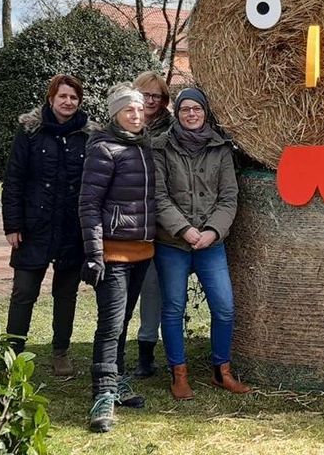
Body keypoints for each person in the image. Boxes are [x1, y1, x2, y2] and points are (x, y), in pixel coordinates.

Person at [151, 86, 250, 400]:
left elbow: (229, 198)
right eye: (185, 110)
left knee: (224, 308)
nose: (191, 114)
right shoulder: (161, 148)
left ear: (205, 113)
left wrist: (211, 231)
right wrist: (183, 229)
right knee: (173, 308)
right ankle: (179, 374)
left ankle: (222, 371)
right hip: (172, 243)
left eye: (196, 109)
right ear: (177, 114)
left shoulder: (220, 149)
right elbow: (159, 196)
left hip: (211, 242)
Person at [79, 83, 157, 433]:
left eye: (139, 109)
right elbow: (89, 205)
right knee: (110, 326)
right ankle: (103, 397)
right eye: (129, 110)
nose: (137, 115)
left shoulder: (143, 147)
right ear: (115, 113)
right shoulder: (104, 149)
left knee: (123, 321)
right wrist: (95, 254)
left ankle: (118, 382)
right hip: (112, 252)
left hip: (141, 251)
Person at [1, 74, 92, 376]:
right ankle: (13, 353)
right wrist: (12, 225)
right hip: (33, 227)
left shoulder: (87, 135)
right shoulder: (29, 132)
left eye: (74, 98)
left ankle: (61, 352)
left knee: (65, 294)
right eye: (63, 96)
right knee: (24, 292)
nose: (68, 102)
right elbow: (14, 180)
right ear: (51, 99)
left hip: (70, 229)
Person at [121, 71, 173, 378]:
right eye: (146, 95)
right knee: (120, 290)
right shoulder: (123, 126)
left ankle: (146, 351)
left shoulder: (174, 129)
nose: (152, 101)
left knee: (152, 288)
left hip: (157, 221)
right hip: (126, 219)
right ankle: (113, 351)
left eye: (158, 97)